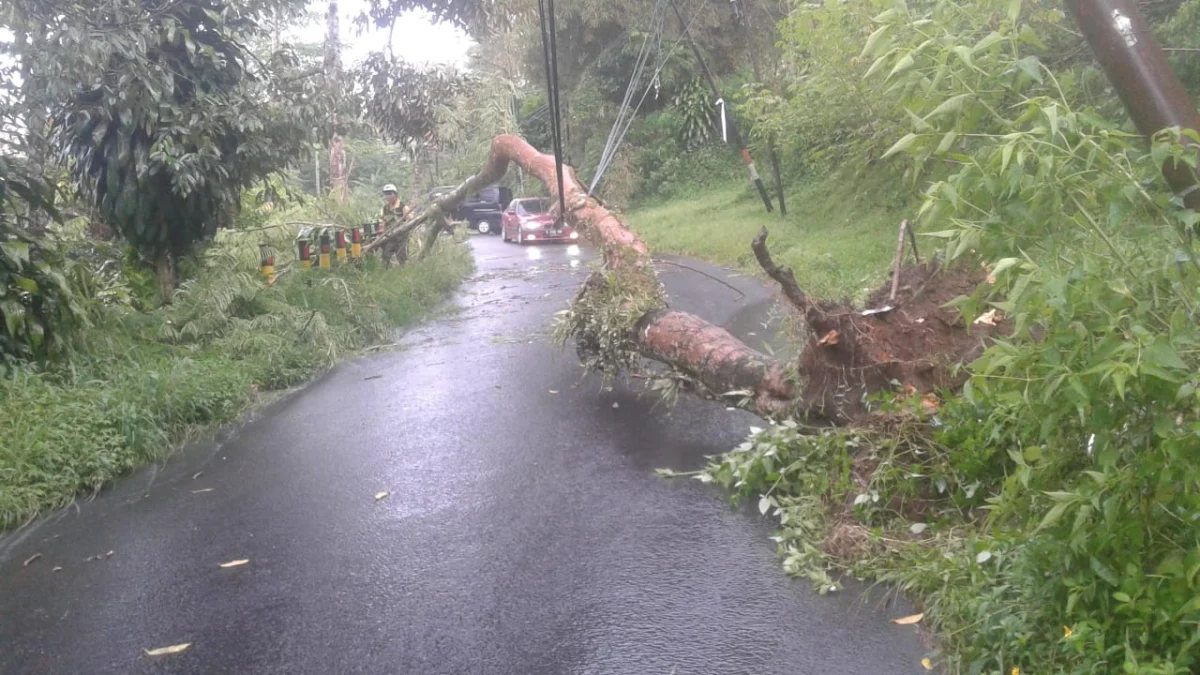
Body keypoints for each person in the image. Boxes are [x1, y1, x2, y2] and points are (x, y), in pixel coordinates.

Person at [379, 184, 411, 267]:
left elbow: (410, 219)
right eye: (386, 194)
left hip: (401, 236)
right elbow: (383, 222)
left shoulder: (403, 206)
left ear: (395, 194)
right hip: (390, 236)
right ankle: (388, 271)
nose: (388, 196)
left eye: (390, 194)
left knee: (401, 256)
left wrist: (403, 227)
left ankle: (404, 272)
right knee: (386, 254)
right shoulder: (385, 208)